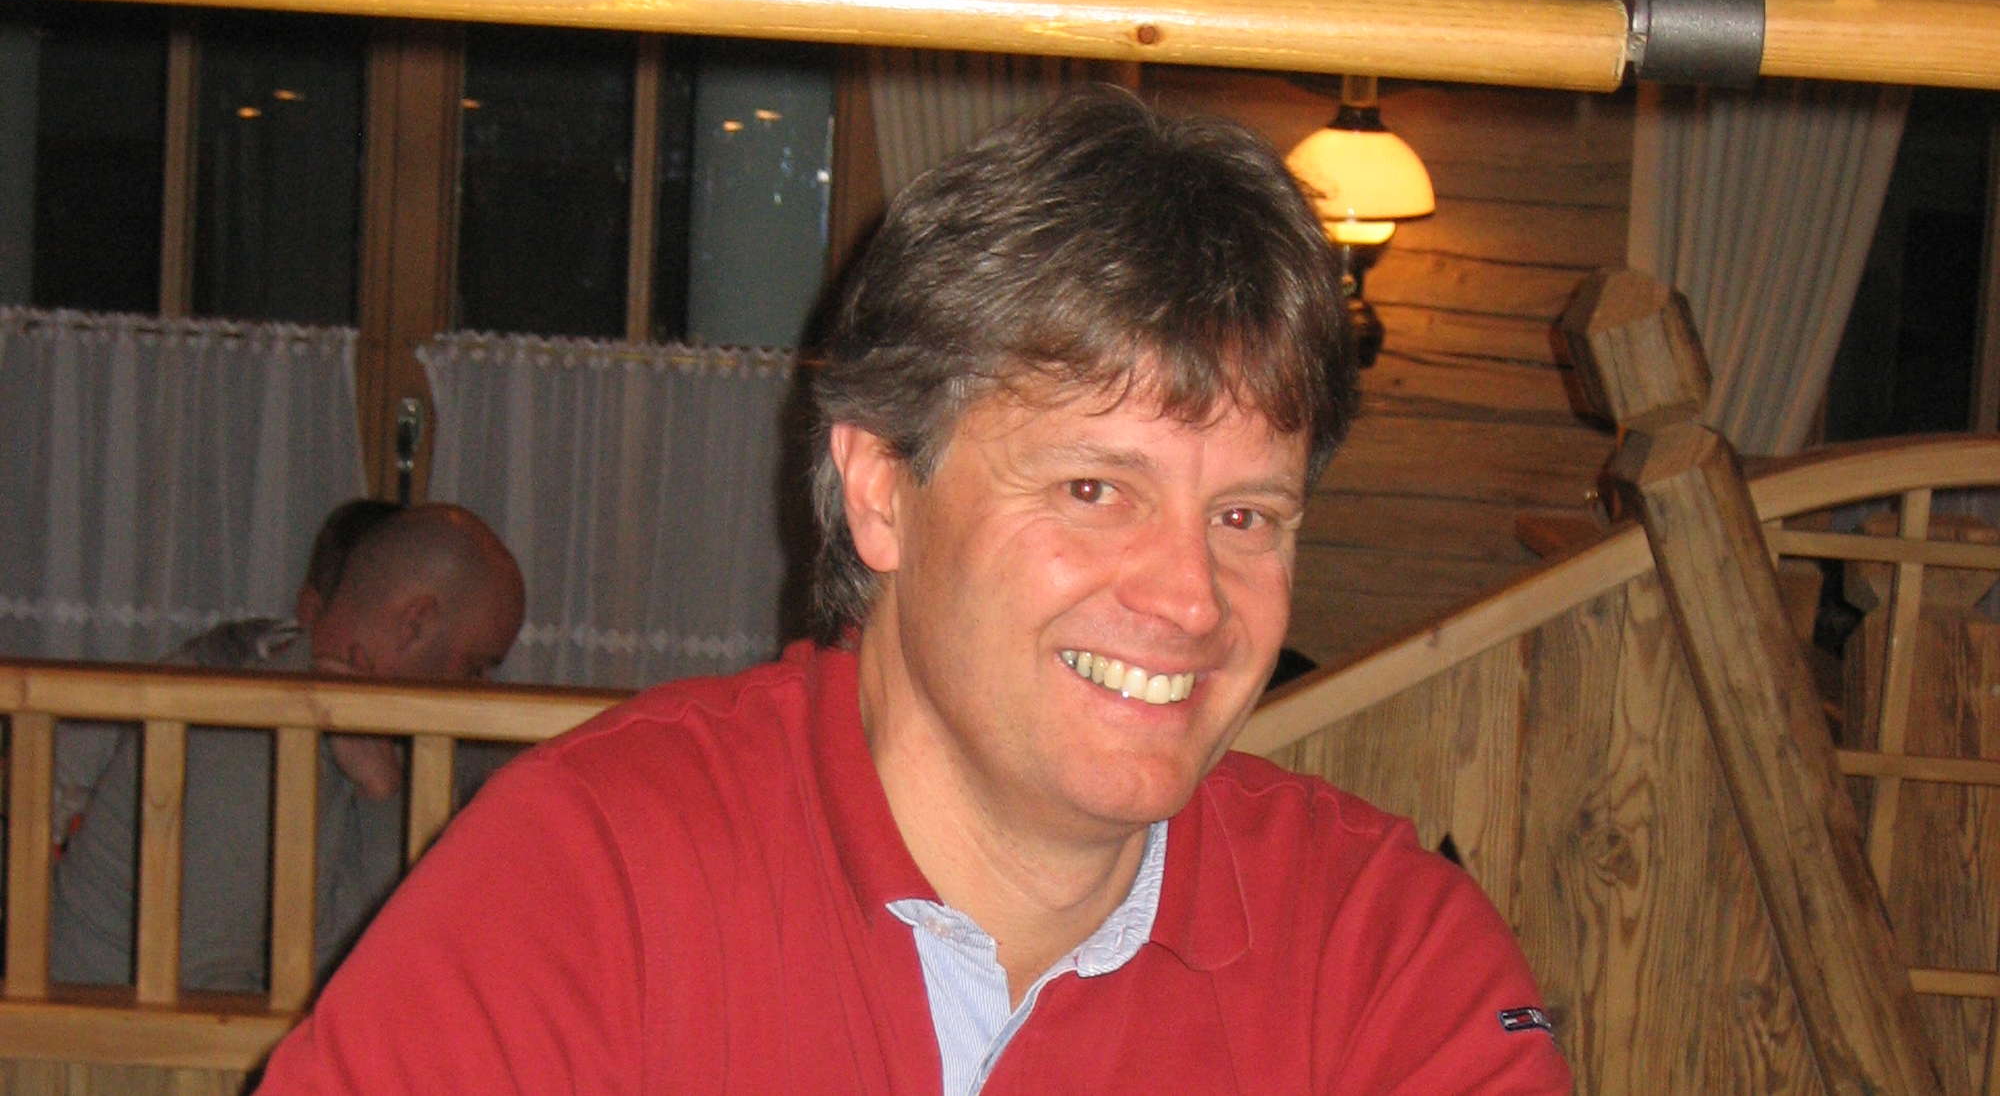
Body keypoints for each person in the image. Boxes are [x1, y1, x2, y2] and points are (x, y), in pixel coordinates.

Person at [257, 89, 1570, 1091]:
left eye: (1245, 516)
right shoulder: (586, 875)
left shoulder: (1383, 956)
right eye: (1093, 489)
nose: (1191, 600)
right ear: (880, 488)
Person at [50, 501, 525, 993]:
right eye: (475, 667)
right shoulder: (240, 735)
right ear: (415, 624)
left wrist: (383, 793)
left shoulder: (374, 738)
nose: (480, 690)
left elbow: (385, 958)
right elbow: (206, 999)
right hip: (109, 1036)